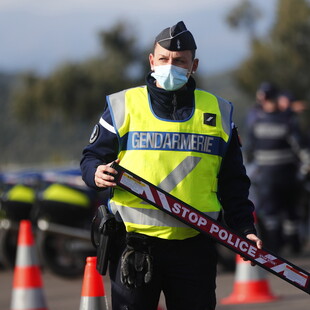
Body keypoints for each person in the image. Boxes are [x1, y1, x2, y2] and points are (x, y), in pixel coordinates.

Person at [81, 21, 262, 310]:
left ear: (194, 65)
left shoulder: (219, 111)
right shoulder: (124, 105)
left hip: (195, 245)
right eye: (164, 59)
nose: (170, 65)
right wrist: (96, 173)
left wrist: (244, 228)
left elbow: (234, 182)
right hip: (134, 244)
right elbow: (91, 157)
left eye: (180, 61)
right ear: (152, 61)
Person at [244, 82, 309, 255]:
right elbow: (250, 149)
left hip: (287, 175)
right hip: (267, 177)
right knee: (272, 215)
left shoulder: (286, 120)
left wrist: (304, 168)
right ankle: (275, 247)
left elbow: (300, 147)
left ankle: (293, 247)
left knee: (291, 215)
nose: (266, 102)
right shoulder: (258, 120)